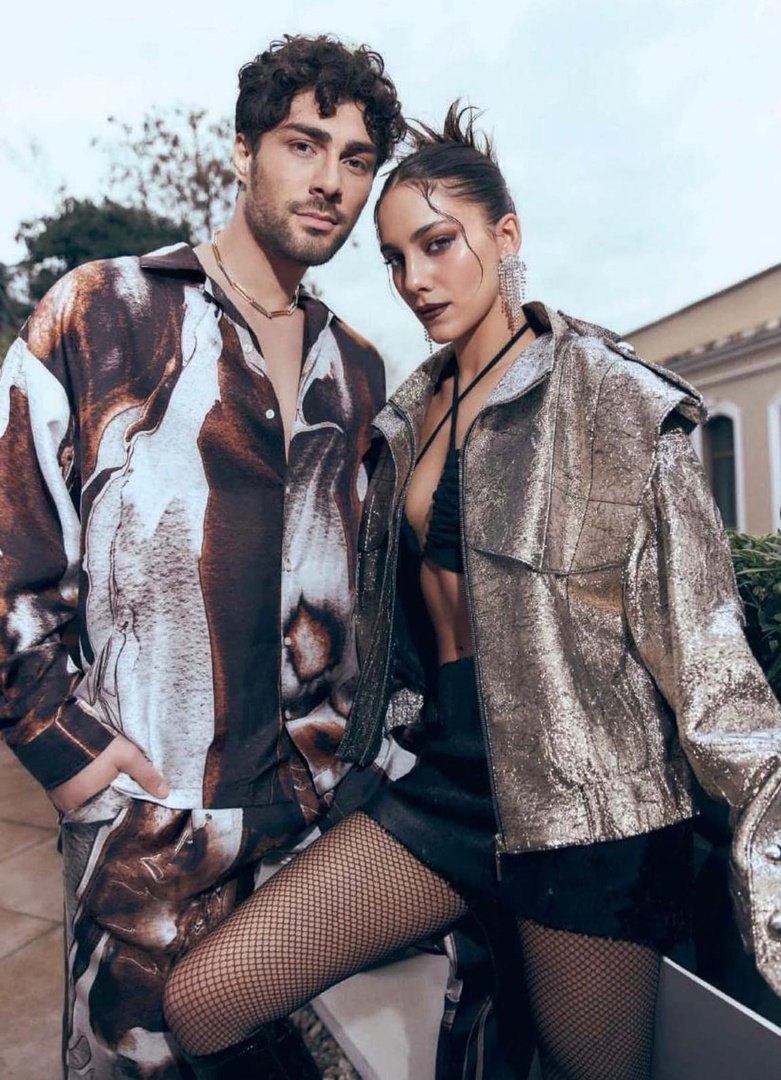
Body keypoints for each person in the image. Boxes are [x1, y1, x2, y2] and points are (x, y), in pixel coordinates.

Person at [162, 105, 781, 1079]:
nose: (415, 278)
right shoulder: (407, 413)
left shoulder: (614, 399)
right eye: (394, 258)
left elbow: (711, 662)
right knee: (204, 1000)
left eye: (438, 244)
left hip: (585, 817)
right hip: (442, 790)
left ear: (505, 234)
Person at [0, 34, 410, 1080]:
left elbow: (369, 594)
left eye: (355, 159)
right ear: (241, 151)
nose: (328, 180)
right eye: (301, 143)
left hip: (310, 830)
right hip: (146, 824)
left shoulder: (360, 371)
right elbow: (10, 549)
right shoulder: (101, 310)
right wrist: (70, 754)